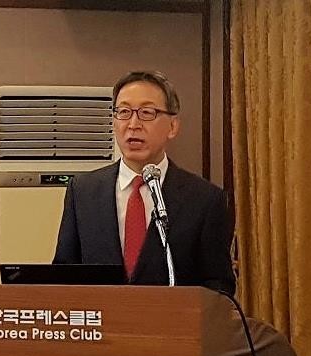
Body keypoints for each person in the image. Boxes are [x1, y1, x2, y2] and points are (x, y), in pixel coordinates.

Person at [53, 71, 235, 295]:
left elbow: (219, 286)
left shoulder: (205, 200)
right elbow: (63, 275)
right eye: (124, 112)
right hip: (102, 316)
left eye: (147, 113)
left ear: (172, 126)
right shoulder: (83, 192)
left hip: (171, 317)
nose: (133, 124)